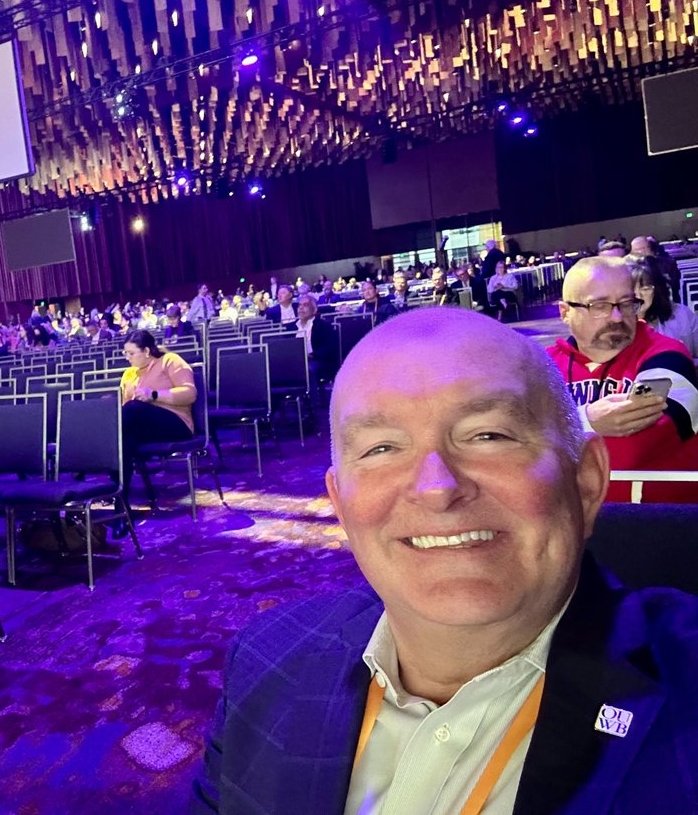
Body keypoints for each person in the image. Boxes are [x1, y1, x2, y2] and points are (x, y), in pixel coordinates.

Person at [196, 307, 698, 813]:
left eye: (488, 436)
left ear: (586, 483)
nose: (437, 488)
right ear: (342, 505)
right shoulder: (265, 660)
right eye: (381, 448)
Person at [549, 256, 698, 502]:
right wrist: (587, 421)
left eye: (627, 304)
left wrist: (547, 440)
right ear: (565, 312)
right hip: (570, 528)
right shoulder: (540, 366)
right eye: (599, 306)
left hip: (656, 522)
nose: (617, 317)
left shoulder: (666, 354)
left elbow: (643, 442)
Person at [118, 330, 196, 492]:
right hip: (145, 427)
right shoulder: (129, 374)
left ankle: (91, 455)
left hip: (176, 422)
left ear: (146, 351)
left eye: (131, 353)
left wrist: (154, 395)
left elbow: (190, 394)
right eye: (125, 353)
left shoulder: (169, 361)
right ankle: (121, 498)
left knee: (132, 410)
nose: (127, 358)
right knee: (124, 440)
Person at [628, 255, 698, 358]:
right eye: (631, 289)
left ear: (655, 290)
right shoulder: (614, 327)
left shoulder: (681, 314)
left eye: (645, 288)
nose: (638, 296)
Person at [293, 293, 339, 386]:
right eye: (299, 305)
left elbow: (330, 348)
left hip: (317, 360)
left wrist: (311, 355)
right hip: (294, 361)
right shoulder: (291, 327)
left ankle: (314, 399)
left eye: (305, 305)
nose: (301, 308)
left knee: (308, 369)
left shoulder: (323, 326)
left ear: (314, 310)